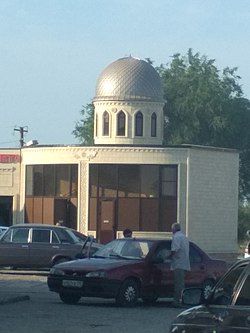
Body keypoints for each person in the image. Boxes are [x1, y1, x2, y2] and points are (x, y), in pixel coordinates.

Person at [168, 222, 190, 307]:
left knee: (178, 284)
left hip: (178, 264)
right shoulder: (184, 237)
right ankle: (180, 301)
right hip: (184, 263)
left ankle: (177, 302)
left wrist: (167, 257)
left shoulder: (176, 237)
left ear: (173, 229)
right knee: (181, 284)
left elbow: (174, 250)